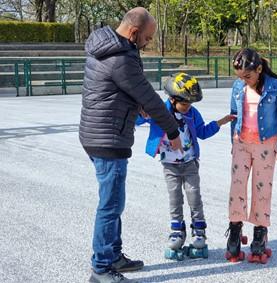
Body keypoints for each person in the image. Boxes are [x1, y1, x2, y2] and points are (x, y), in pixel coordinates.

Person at [79, 7, 183, 283]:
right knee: (110, 205)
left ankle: (113, 256)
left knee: (113, 202)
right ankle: (101, 269)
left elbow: (112, 91)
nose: (148, 44)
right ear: (134, 32)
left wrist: (136, 108)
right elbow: (149, 97)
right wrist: (172, 130)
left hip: (97, 133)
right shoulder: (120, 58)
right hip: (107, 138)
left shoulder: (109, 47)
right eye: (147, 38)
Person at [136, 73, 235, 260]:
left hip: (190, 164)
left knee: (194, 197)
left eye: (190, 104)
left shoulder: (191, 113)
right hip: (170, 166)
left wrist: (220, 122)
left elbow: (203, 132)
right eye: (184, 104)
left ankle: (199, 232)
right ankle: (177, 233)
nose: (188, 107)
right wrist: (140, 110)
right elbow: (138, 120)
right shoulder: (159, 111)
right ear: (172, 99)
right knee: (175, 200)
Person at [225, 48, 277, 263]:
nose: (244, 81)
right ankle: (235, 233)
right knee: (237, 187)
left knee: (262, 188)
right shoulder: (238, 87)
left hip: (266, 145)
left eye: (248, 76)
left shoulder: (275, 87)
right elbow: (234, 116)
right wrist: (232, 142)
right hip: (241, 144)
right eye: (240, 77)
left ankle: (259, 236)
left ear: (259, 69)